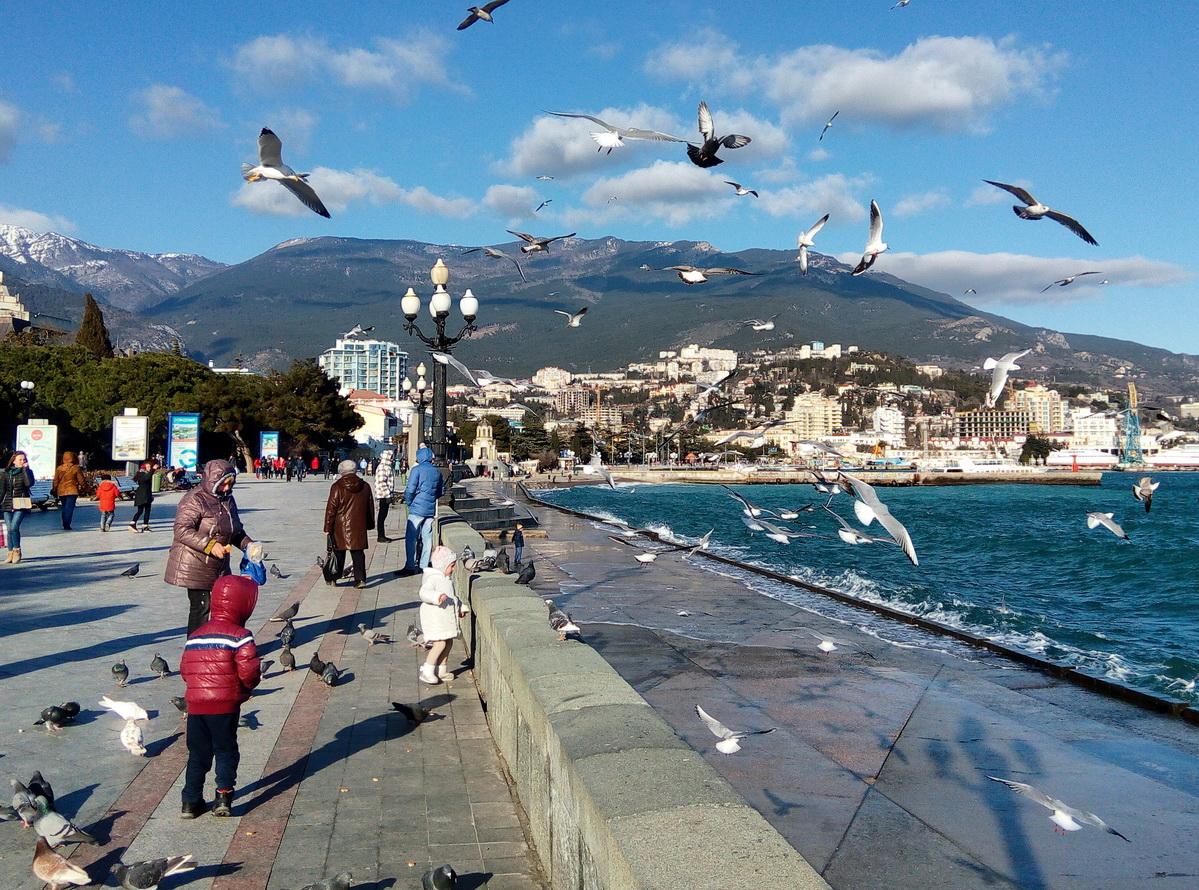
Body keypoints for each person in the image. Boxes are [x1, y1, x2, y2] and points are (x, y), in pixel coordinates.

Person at [179, 574, 261, 818]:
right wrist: (244, 689)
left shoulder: (195, 636)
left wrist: (197, 689)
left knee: (197, 754)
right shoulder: (240, 635)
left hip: (196, 706)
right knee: (225, 749)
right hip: (225, 705)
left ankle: (190, 802)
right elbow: (249, 670)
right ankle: (223, 797)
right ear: (242, 605)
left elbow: (185, 669)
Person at [165, 460, 255, 635]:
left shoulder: (228, 499)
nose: (227, 488)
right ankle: (195, 650)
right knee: (202, 607)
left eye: (231, 483)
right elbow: (181, 530)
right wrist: (210, 545)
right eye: (224, 484)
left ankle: (217, 646)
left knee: (224, 606)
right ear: (213, 481)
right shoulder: (194, 499)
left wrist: (248, 545)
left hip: (218, 565)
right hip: (195, 563)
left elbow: (235, 530)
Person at [418, 545, 468, 685]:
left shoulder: (445, 580)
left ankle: (442, 670)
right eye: (451, 566)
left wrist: (460, 608)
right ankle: (427, 671)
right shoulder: (433, 579)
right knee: (440, 643)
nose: (453, 569)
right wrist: (437, 596)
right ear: (442, 565)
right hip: (435, 619)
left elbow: (453, 598)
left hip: (444, 619)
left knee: (448, 642)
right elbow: (423, 593)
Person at [323, 459, 374, 588]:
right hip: (358, 525)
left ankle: (334, 577)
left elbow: (331, 509)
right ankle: (360, 579)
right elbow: (370, 507)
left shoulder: (337, 486)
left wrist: (327, 527)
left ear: (341, 472)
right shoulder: (365, 486)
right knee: (358, 553)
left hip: (340, 526)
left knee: (338, 552)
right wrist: (369, 524)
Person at [402, 446, 444, 574]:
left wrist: (410, 503)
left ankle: (410, 565)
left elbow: (410, 490)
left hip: (417, 509)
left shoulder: (416, 470)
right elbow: (440, 491)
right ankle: (423, 565)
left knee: (411, 538)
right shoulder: (437, 472)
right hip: (430, 509)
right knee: (427, 538)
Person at [1, 451, 36, 564]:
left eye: (24, 459)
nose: (22, 461)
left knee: (14, 527)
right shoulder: (6, 473)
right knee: (9, 528)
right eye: (20, 459)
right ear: (14, 461)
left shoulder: (28, 472)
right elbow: (2, 490)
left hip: (21, 503)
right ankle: (10, 553)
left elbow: (28, 484)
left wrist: (25, 470)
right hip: (8, 503)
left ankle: (17, 551)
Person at [51, 451, 87, 530]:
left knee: (64, 507)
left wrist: (54, 489)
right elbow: (81, 480)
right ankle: (67, 524)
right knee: (69, 508)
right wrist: (85, 488)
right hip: (72, 490)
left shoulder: (59, 468)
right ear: (73, 458)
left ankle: (65, 523)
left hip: (61, 491)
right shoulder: (76, 468)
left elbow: (55, 480)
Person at [374, 451, 395, 543]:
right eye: (391, 457)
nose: (392, 459)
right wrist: (387, 494)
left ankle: (382, 535)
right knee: (382, 516)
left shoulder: (387, 467)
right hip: (383, 495)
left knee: (383, 515)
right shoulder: (382, 467)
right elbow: (382, 482)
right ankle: (380, 536)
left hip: (385, 494)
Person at [129, 461, 154, 532]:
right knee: (140, 511)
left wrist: (151, 496)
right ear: (144, 467)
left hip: (146, 495)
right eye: (148, 467)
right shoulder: (142, 474)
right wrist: (153, 470)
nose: (150, 468)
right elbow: (146, 478)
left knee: (147, 511)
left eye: (150, 467)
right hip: (142, 496)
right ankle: (132, 524)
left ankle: (145, 525)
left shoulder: (145, 473)